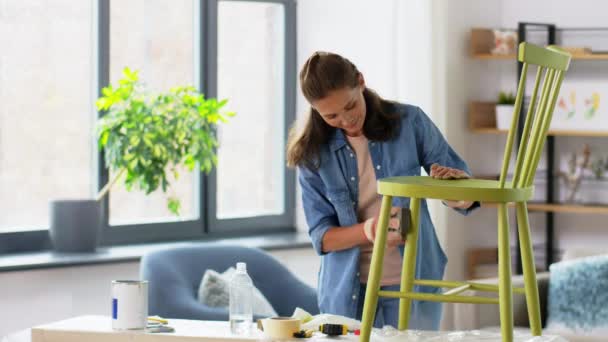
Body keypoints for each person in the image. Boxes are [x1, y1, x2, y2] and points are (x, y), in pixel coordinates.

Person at [286, 51, 479, 330]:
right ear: (316, 111)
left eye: (350, 106)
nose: (346, 119)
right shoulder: (311, 153)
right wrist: (371, 230)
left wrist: (454, 189)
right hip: (347, 295)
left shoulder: (410, 122)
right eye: (331, 116)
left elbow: (467, 197)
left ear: (361, 81)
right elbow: (323, 238)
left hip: (415, 284)